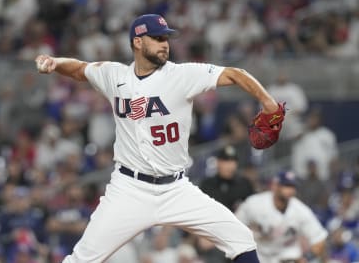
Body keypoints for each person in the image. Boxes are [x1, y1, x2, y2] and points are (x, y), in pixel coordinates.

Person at [35, 13, 281, 263]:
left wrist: (269, 103)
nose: (165, 43)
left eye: (167, 38)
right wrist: (54, 62)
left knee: (241, 239)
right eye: (157, 37)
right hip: (128, 189)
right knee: (81, 259)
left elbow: (235, 73)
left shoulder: (182, 75)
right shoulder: (114, 75)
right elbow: (79, 69)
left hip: (176, 189)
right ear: (138, 42)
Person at [235, 171, 328, 263]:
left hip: (287, 257)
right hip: (259, 255)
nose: (290, 190)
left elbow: (319, 239)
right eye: (286, 186)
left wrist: (306, 258)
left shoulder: (300, 210)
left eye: (292, 187)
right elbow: (234, 226)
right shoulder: (255, 204)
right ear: (275, 186)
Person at [200, 144, 254, 213]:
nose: (229, 166)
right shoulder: (207, 185)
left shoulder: (245, 184)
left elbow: (252, 209)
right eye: (226, 161)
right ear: (218, 162)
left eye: (232, 161)